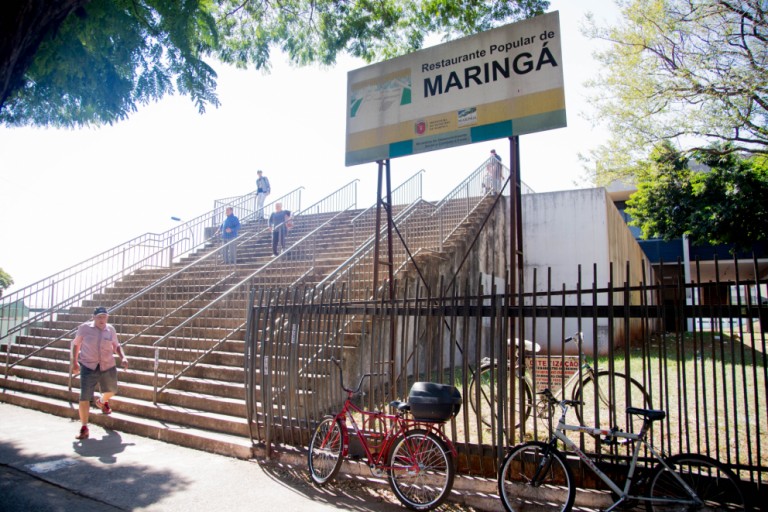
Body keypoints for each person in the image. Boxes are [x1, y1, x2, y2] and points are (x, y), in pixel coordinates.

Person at [71, 307, 129, 440]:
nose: (102, 320)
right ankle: (84, 427)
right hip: (88, 365)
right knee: (84, 397)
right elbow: (76, 345)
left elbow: (116, 345)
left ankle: (102, 401)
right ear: (94, 317)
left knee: (112, 390)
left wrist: (123, 357)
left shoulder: (111, 329)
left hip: (107, 365)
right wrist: (74, 362)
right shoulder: (84, 328)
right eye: (99, 317)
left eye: (104, 317)